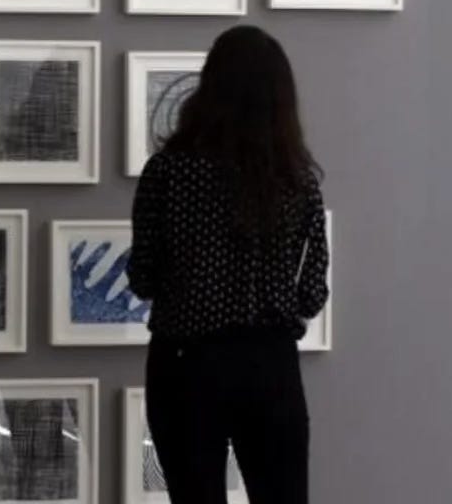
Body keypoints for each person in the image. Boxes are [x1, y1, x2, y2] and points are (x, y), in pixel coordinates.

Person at [129, 25, 330, 504]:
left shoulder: (168, 172)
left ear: (209, 87)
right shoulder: (296, 180)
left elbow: (144, 277)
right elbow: (311, 293)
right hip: (269, 362)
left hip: (185, 363)